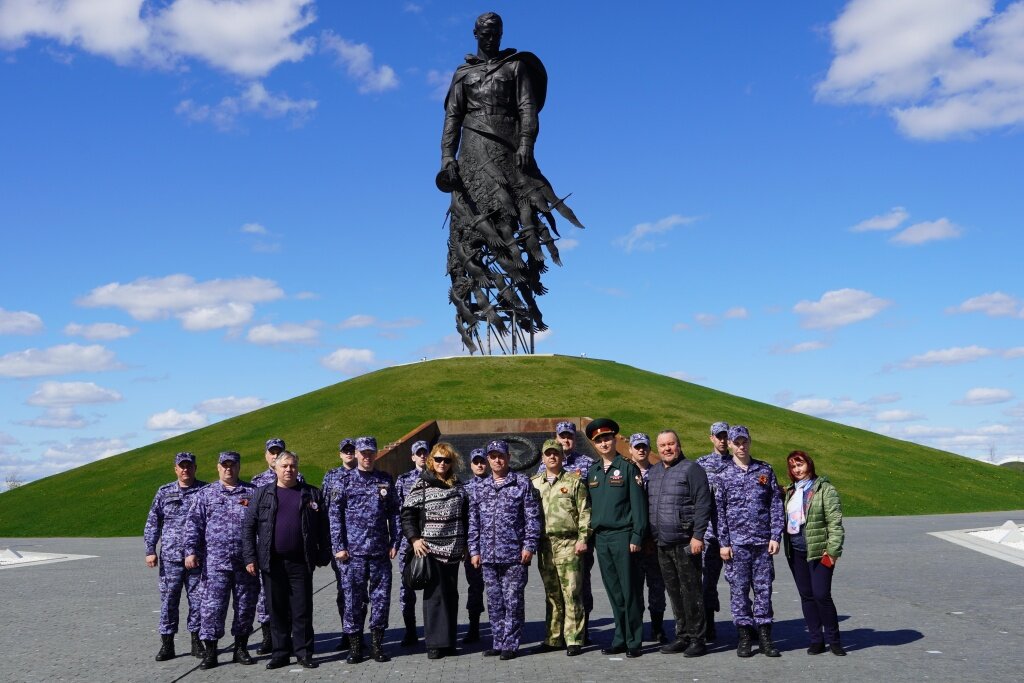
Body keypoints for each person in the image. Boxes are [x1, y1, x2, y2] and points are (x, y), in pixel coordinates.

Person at [439, 12, 584, 345]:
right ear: (475, 34)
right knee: (473, 227)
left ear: (501, 35)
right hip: (473, 152)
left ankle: (523, 295)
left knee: (514, 215)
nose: (491, 38)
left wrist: (526, 143)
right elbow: (452, 119)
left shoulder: (515, 67)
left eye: (496, 33)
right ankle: (478, 310)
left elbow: (527, 108)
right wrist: (447, 158)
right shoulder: (463, 74)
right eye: (486, 33)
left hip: (508, 149)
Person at [242, 451, 331, 670]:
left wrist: (324, 552)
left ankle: (303, 652)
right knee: (277, 609)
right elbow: (248, 527)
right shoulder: (263, 494)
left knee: (302, 609)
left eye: (292, 465)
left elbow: (323, 527)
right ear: (275, 468)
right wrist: (250, 557)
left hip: (300, 562)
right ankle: (280, 653)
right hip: (272, 562)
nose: (289, 469)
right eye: (284, 466)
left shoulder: (311, 493)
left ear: (297, 468)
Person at [182, 451, 260, 670]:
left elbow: (262, 527)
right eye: (224, 465)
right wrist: (191, 551)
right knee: (212, 609)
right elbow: (193, 525)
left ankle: (240, 648)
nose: (228, 469)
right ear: (218, 467)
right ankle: (211, 652)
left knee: (245, 606)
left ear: (238, 467)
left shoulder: (252, 493)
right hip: (215, 563)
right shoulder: (206, 494)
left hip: (246, 563)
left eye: (232, 465)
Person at [329, 436, 400, 664]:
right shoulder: (343, 481)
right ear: (357, 454)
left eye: (371, 452)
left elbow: (394, 512)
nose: (367, 457)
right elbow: (334, 516)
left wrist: (395, 541)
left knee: (380, 600)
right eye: (363, 453)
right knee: (353, 601)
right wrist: (339, 547)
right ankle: (356, 647)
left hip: (379, 552)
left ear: (375, 453)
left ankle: (378, 646)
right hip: (353, 554)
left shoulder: (385, 480)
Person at [468, 439, 541, 660]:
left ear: (509, 458)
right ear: (488, 459)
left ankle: (511, 643)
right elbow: (474, 521)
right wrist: (474, 550)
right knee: (494, 601)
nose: (497, 460)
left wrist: (529, 545)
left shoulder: (522, 483)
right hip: (488, 556)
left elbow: (533, 517)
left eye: (501, 456)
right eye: (493, 456)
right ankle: (498, 641)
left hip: (514, 555)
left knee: (514, 601)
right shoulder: (480, 488)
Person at [716, 426, 784, 658]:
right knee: (739, 590)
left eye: (745, 441)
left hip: (762, 542)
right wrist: (724, 543)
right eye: (737, 442)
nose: (741, 446)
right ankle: (744, 636)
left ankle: (765, 636)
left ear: (750, 442)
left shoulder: (764, 470)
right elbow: (719, 512)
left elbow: (776, 504)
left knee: (764, 589)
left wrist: (775, 535)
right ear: (732, 445)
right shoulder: (723, 475)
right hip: (737, 545)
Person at [401, 443, 470, 660]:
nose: (442, 463)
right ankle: (434, 644)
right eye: (438, 459)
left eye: (446, 460)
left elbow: (465, 516)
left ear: (452, 462)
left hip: (454, 549)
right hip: (430, 549)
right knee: (434, 597)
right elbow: (407, 515)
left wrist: (467, 543)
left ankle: (449, 641)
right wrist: (414, 539)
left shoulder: (458, 485)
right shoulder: (421, 484)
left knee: (451, 595)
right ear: (431, 460)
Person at [585, 418, 647, 657]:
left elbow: (638, 506)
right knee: (614, 590)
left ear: (614, 440)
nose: (604, 443)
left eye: (607, 438)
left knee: (629, 590)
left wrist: (637, 536)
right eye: (599, 440)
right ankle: (620, 637)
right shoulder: (593, 471)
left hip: (624, 536)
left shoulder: (628, 468)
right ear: (594, 443)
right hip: (602, 538)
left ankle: (634, 640)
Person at [649, 430, 712, 657]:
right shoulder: (655, 472)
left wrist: (698, 535)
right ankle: (683, 634)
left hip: (686, 541)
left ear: (679, 444)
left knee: (691, 591)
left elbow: (703, 503)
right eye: (662, 445)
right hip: (662, 543)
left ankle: (698, 638)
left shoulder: (692, 469)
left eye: (671, 444)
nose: (667, 448)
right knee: (673, 592)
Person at [144, 451, 208, 662]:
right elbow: (153, 522)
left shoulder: (205, 491)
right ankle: (167, 644)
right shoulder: (165, 492)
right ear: (175, 469)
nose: (185, 469)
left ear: (195, 468)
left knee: (198, 601)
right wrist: (150, 550)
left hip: (197, 558)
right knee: (169, 601)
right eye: (181, 466)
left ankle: (196, 641)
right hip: (171, 557)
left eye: (189, 466)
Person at [536, 421, 596, 641]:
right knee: (552, 593)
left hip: (571, 542)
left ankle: (576, 637)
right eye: (548, 454)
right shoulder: (536, 480)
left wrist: (584, 538)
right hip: (545, 544)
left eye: (556, 454)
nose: (552, 457)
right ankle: (553, 638)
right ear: (543, 457)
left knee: (574, 591)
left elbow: (585, 509)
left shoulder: (580, 472)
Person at [783, 451, 846, 656]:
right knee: (807, 596)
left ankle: (834, 639)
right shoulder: (791, 491)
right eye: (793, 467)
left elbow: (835, 523)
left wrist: (833, 551)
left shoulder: (824, 489)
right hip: (796, 551)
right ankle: (816, 639)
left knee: (821, 595)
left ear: (809, 464)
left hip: (820, 551)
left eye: (800, 465)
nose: (797, 470)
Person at [250, 437, 304, 656]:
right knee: (269, 601)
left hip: (295, 556)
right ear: (266, 455)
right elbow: (251, 520)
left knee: (295, 604)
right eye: (271, 452)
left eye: (278, 451)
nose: (274, 455)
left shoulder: (298, 479)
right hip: (268, 553)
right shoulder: (257, 482)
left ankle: (294, 643)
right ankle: (269, 639)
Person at [627, 432, 669, 645]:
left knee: (656, 585)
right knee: (633, 586)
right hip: (631, 539)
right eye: (637, 447)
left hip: (654, 540)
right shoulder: (624, 471)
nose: (641, 450)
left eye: (644, 446)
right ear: (630, 449)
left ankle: (657, 626)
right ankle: (635, 626)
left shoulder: (659, 473)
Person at [695, 421, 731, 643]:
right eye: (718, 436)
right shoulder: (700, 464)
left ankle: (749, 623)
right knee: (707, 580)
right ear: (711, 438)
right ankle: (708, 624)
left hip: (736, 533)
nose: (723, 440)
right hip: (710, 533)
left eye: (726, 436)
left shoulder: (739, 463)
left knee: (741, 581)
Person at [321, 437, 356, 651]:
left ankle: (359, 632)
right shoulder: (331, 476)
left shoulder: (368, 475)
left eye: (352, 450)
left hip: (364, 546)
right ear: (340, 454)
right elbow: (326, 510)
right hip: (340, 546)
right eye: (346, 450)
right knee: (344, 590)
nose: (349, 453)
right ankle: (347, 631)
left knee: (362, 593)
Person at [395, 440, 429, 646]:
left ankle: (432, 628)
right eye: (419, 453)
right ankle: (410, 630)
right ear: (413, 457)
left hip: (432, 541)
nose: (423, 456)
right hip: (408, 542)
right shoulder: (403, 480)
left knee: (432, 586)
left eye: (426, 453)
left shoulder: (437, 478)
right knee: (406, 587)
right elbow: (398, 512)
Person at [462, 447, 489, 643]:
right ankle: (474, 627)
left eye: (482, 461)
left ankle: (502, 626)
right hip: (474, 548)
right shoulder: (464, 489)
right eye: (476, 461)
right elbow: (462, 520)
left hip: (498, 545)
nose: (480, 465)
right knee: (475, 587)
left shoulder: (496, 483)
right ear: (471, 465)